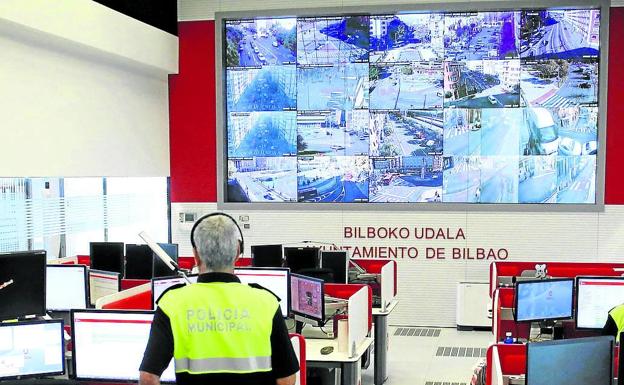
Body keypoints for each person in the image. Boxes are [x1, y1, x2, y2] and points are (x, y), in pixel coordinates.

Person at [139, 213, 298, 385]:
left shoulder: (172, 303)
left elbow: (148, 377)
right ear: (238, 252)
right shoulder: (266, 302)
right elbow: (286, 378)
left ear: (196, 254)